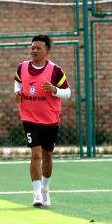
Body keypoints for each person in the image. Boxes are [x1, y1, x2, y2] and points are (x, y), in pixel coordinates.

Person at [14, 34, 71, 208]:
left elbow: (68, 93)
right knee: (35, 154)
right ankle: (37, 194)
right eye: (32, 47)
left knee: (47, 155)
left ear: (47, 51)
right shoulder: (22, 67)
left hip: (50, 119)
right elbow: (18, 82)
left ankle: (45, 189)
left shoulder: (55, 71)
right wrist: (17, 92)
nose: (34, 50)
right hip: (29, 117)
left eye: (38, 48)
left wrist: (55, 90)